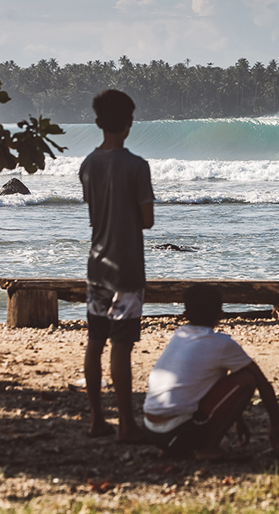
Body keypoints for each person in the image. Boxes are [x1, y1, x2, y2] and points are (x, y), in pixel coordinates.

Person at [79, 89, 154, 443]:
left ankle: (96, 419)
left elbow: (94, 211)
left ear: (97, 123)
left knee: (95, 342)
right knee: (121, 345)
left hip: (97, 265)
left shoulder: (87, 165)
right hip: (127, 268)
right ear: (130, 123)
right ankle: (126, 424)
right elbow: (147, 220)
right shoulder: (137, 166)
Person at [143, 284, 279, 459]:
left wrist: (237, 418)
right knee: (247, 378)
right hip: (178, 432)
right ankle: (209, 448)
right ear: (221, 314)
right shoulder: (222, 344)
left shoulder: (179, 335)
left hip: (152, 431)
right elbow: (261, 382)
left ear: (185, 315)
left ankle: (172, 449)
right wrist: (276, 424)